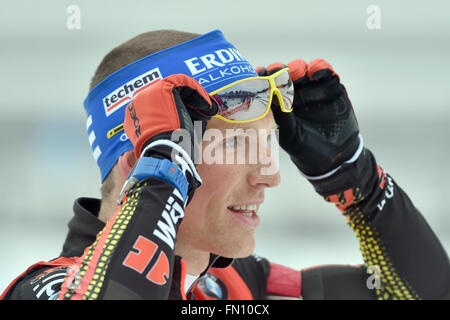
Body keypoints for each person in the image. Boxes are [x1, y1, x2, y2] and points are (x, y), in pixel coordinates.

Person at [1, 29, 449, 300]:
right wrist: (163, 176)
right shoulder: (45, 289)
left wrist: (358, 182)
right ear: (144, 156)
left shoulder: (229, 289)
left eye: (267, 142)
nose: (270, 174)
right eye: (233, 143)